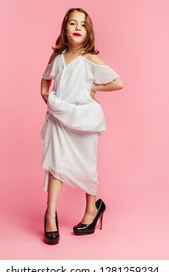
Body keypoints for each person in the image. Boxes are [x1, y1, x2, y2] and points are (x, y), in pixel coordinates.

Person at [40, 7, 123, 245]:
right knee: (56, 165)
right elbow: (45, 79)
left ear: (88, 32)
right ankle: (50, 216)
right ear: (65, 28)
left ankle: (92, 208)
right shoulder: (57, 57)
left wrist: (95, 88)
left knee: (87, 164)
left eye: (83, 25)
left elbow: (118, 82)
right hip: (59, 117)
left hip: (83, 120)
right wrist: (47, 97)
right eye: (73, 23)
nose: (78, 28)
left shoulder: (89, 60)